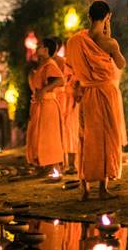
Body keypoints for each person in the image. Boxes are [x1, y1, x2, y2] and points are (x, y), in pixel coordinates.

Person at [65, 1, 126, 201]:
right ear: (107, 17)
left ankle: (85, 189)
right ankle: (103, 188)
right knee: (107, 137)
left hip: (87, 93)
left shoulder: (75, 41)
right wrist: (110, 34)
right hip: (106, 93)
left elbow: (72, 68)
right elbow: (121, 63)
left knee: (86, 137)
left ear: (89, 17)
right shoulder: (110, 43)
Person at [26, 38, 66, 171]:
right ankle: (44, 165)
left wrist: (44, 90)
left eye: (39, 47)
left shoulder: (50, 65)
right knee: (39, 135)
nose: (37, 49)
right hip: (41, 105)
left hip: (48, 105)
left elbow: (60, 80)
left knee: (48, 136)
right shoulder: (43, 65)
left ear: (46, 50)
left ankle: (51, 166)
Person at [52, 39, 80, 172]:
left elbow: (77, 83)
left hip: (71, 101)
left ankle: (72, 163)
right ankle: (62, 163)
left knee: (71, 130)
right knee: (60, 131)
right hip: (60, 100)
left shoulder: (74, 65)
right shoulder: (58, 63)